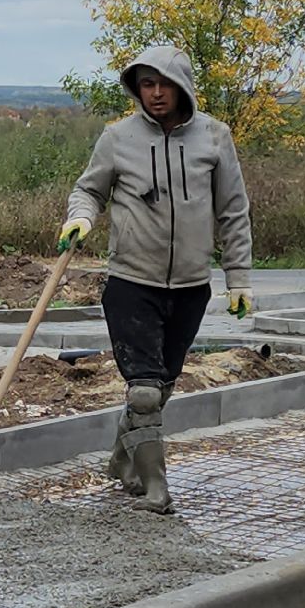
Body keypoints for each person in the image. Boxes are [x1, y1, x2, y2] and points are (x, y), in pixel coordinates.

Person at [58, 45, 254, 515]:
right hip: (131, 281)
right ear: (136, 89)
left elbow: (233, 210)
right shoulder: (117, 137)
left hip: (190, 286)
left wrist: (239, 277)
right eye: (147, 84)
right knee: (143, 390)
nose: (156, 93)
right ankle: (155, 488)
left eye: (164, 84)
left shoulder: (215, 137)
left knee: (161, 388)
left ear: (182, 85)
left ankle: (122, 462)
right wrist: (80, 218)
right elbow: (88, 189)